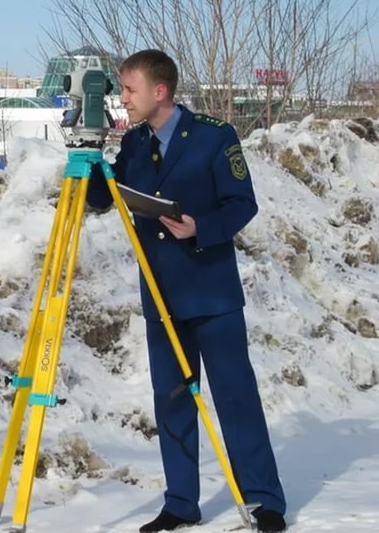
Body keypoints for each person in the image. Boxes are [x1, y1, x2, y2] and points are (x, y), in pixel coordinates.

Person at [86, 49, 287, 532]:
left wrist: (201, 226)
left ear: (160, 91)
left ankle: (263, 500)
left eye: (129, 89)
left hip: (212, 292)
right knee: (172, 398)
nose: (123, 99)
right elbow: (99, 200)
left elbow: (243, 203)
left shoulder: (215, 137)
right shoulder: (133, 144)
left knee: (235, 396)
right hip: (161, 297)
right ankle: (181, 502)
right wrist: (89, 157)